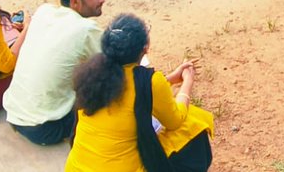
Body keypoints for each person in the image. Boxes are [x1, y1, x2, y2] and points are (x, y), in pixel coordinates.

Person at [66, 14, 214, 172]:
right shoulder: (149, 80)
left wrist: (169, 80)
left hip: (77, 167)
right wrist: (187, 83)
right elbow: (175, 120)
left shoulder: (93, 73)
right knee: (193, 122)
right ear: (145, 48)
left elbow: (131, 92)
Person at [5, 0, 106, 146]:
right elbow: (113, 63)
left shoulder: (44, 11)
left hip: (14, 113)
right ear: (75, 2)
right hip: (45, 129)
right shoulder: (85, 29)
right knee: (104, 86)